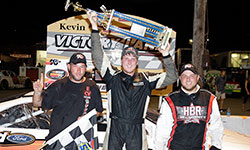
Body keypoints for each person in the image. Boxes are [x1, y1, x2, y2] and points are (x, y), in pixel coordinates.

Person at [87, 11, 178, 150]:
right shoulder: (112, 76)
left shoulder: (147, 79)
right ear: (122, 60)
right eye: (126, 58)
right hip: (115, 128)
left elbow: (172, 77)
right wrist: (94, 28)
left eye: (133, 58)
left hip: (137, 129)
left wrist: (165, 54)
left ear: (137, 63)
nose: (129, 61)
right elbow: (98, 58)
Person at [32, 53, 103, 149]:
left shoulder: (92, 86)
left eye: (82, 66)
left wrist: (86, 119)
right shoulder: (59, 86)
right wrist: (37, 92)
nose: (79, 70)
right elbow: (37, 103)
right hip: (58, 141)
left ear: (86, 68)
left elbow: (98, 111)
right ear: (69, 66)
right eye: (75, 66)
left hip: (80, 142)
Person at [155, 63, 223, 150]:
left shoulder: (209, 99)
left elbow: (216, 126)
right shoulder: (170, 101)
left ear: (197, 77)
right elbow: (161, 131)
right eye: (184, 76)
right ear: (180, 78)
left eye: (191, 76)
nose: (188, 79)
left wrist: (216, 146)